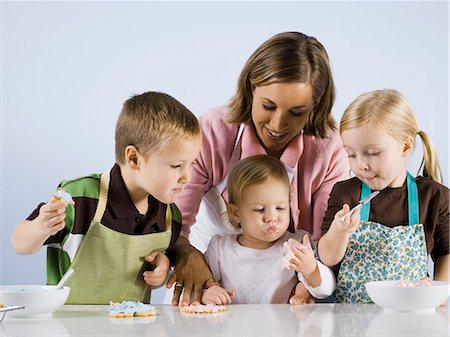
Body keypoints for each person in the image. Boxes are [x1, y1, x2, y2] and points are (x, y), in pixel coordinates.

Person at [167, 31, 349, 306]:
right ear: (251, 90)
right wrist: (186, 255)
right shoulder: (214, 131)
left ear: (315, 106)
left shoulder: (329, 147)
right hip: (209, 266)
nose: (277, 125)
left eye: (296, 112)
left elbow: (324, 241)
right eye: (268, 106)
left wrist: (307, 284)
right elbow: (174, 219)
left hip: (284, 283)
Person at [11, 91, 202, 304]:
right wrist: (40, 227)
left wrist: (161, 268)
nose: (187, 177)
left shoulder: (169, 217)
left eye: (191, 164)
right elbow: (20, 244)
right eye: (176, 166)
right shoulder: (81, 198)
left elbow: (148, 269)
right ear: (133, 158)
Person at [318, 89, 449, 303]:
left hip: (410, 316)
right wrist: (339, 231)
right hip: (351, 320)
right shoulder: (344, 194)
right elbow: (327, 258)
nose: (361, 165)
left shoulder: (434, 197)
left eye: (373, 153)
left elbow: (446, 252)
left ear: (405, 146)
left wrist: (438, 300)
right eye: (351, 154)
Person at [201, 155, 336, 305]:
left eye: (280, 208)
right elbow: (201, 286)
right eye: (259, 209)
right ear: (236, 213)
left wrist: (311, 270)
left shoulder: (296, 244)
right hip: (233, 327)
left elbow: (326, 290)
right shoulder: (220, 249)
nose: (272, 217)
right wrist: (208, 293)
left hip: (282, 328)